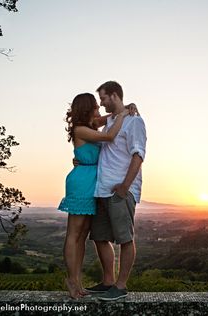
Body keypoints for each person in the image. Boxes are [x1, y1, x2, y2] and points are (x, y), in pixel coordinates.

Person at [58, 92, 132, 299]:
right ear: (87, 108)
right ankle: (71, 281)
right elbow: (109, 136)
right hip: (82, 181)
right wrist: (124, 115)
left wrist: (126, 108)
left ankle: (77, 281)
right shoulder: (81, 129)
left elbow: (109, 118)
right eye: (95, 107)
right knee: (74, 233)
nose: (99, 110)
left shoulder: (90, 125)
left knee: (82, 235)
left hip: (93, 181)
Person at [85, 81, 147, 301]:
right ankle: (108, 281)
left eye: (103, 98)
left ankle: (120, 287)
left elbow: (138, 155)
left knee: (125, 239)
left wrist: (124, 187)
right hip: (101, 189)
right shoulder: (110, 120)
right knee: (100, 237)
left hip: (121, 190)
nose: (101, 104)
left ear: (113, 95)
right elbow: (91, 123)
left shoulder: (135, 121)